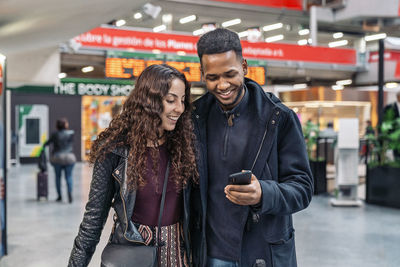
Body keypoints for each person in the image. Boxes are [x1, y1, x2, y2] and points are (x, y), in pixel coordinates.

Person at [190, 28, 313, 267]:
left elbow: (303, 188)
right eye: (213, 77)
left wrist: (263, 194)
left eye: (230, 74)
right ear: (202, 73)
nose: (222, 85)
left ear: (244, 67)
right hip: (209, 254)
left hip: (261, 254)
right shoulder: (194, 118)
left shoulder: (278, 118)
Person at [68, 64, 197, 267]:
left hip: (177, 254)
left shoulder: (185, 145)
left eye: (182, 101)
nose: (179, 108)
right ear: (149, 101)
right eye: (171, 100)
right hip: (131, 251)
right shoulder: (115, 150)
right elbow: (94, 218)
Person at [43, 118, 76, 203]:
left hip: (57, 158)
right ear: (65, 125)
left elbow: (47, 143)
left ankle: (59, 196)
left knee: (58, 177)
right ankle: (69, 194)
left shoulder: (55, 134)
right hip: (69, 157)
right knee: (68, 176)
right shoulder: (71, 134)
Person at [383, 91, 400, 159]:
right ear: (398, 97)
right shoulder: (390, 107)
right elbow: (386, 121)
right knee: (395, 153)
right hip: (394, 135)